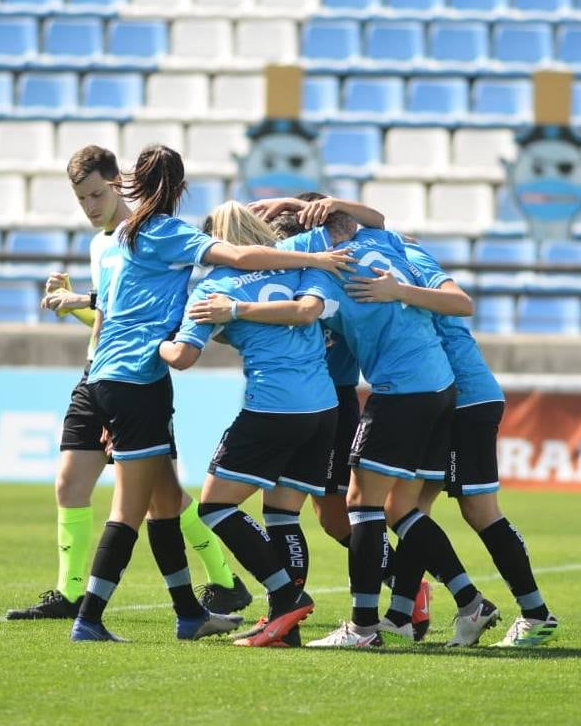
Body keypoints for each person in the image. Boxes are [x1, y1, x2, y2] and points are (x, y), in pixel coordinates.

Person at [70, 145, 354, 642]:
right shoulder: (172, 234)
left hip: (109, 376)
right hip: (144, 380)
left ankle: (189, 613)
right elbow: (249, 259)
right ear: (180, 189)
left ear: (126, 182)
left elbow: (120, 313)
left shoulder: (116, 241)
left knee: (165, 501)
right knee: (136, 508)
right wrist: (310, 255)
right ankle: (89, 619)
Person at [188, 202, 498, 648]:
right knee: (296, 512)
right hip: (342, 398)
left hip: (332, 401)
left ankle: (406, 598)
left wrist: (235, 311)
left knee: (343, 515)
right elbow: (375, 224)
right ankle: (296, 608)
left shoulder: (314, 275)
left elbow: (304, 311)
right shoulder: (317, 267)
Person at [5, 145, 251, 622]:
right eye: (81, 199)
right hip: (97, 372)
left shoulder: (149, 236)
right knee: (69, 484)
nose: (91, 206)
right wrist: (70, 304)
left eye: (96, 194)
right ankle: (72, 593)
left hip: (135, 377)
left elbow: (134, 313)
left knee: (162, 498)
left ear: (118, 182)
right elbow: (108, 317)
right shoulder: (102, 245)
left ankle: (221, 579)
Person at [344, 236, 560, 647]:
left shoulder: (410, 257)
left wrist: (398, 290)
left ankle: (533, 614)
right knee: (406, 507)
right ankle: (402, 613)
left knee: (479, 511)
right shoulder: (386, 258)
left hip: (465, 397)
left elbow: (461, 302)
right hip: (445, 398)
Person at [160, 200, 334, 647]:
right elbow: (354, 228)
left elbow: (182, 357)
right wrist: (299, 204)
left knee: (215, 507)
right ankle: (284, 625)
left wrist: (150, 342)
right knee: (281, 515)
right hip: (324, 407)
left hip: (273, 407)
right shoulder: (299, 258)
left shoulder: (214, 289)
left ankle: (285, 596)